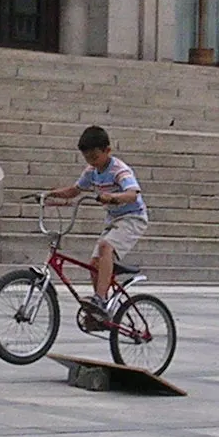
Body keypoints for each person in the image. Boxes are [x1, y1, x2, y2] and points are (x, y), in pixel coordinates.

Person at [46, 124, 147, 320]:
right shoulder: (91, 171)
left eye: (95, 157)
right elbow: (74, 190)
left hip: (133, 218)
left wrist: (113, 197)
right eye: (87, 158)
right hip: (114, 220)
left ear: (107, 151)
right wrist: (48, 195)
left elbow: (133, 194)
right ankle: (101, 312)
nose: (92, 162)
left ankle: (100, 298)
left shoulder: (119, 170)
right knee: (94, 263)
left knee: (105, 246)